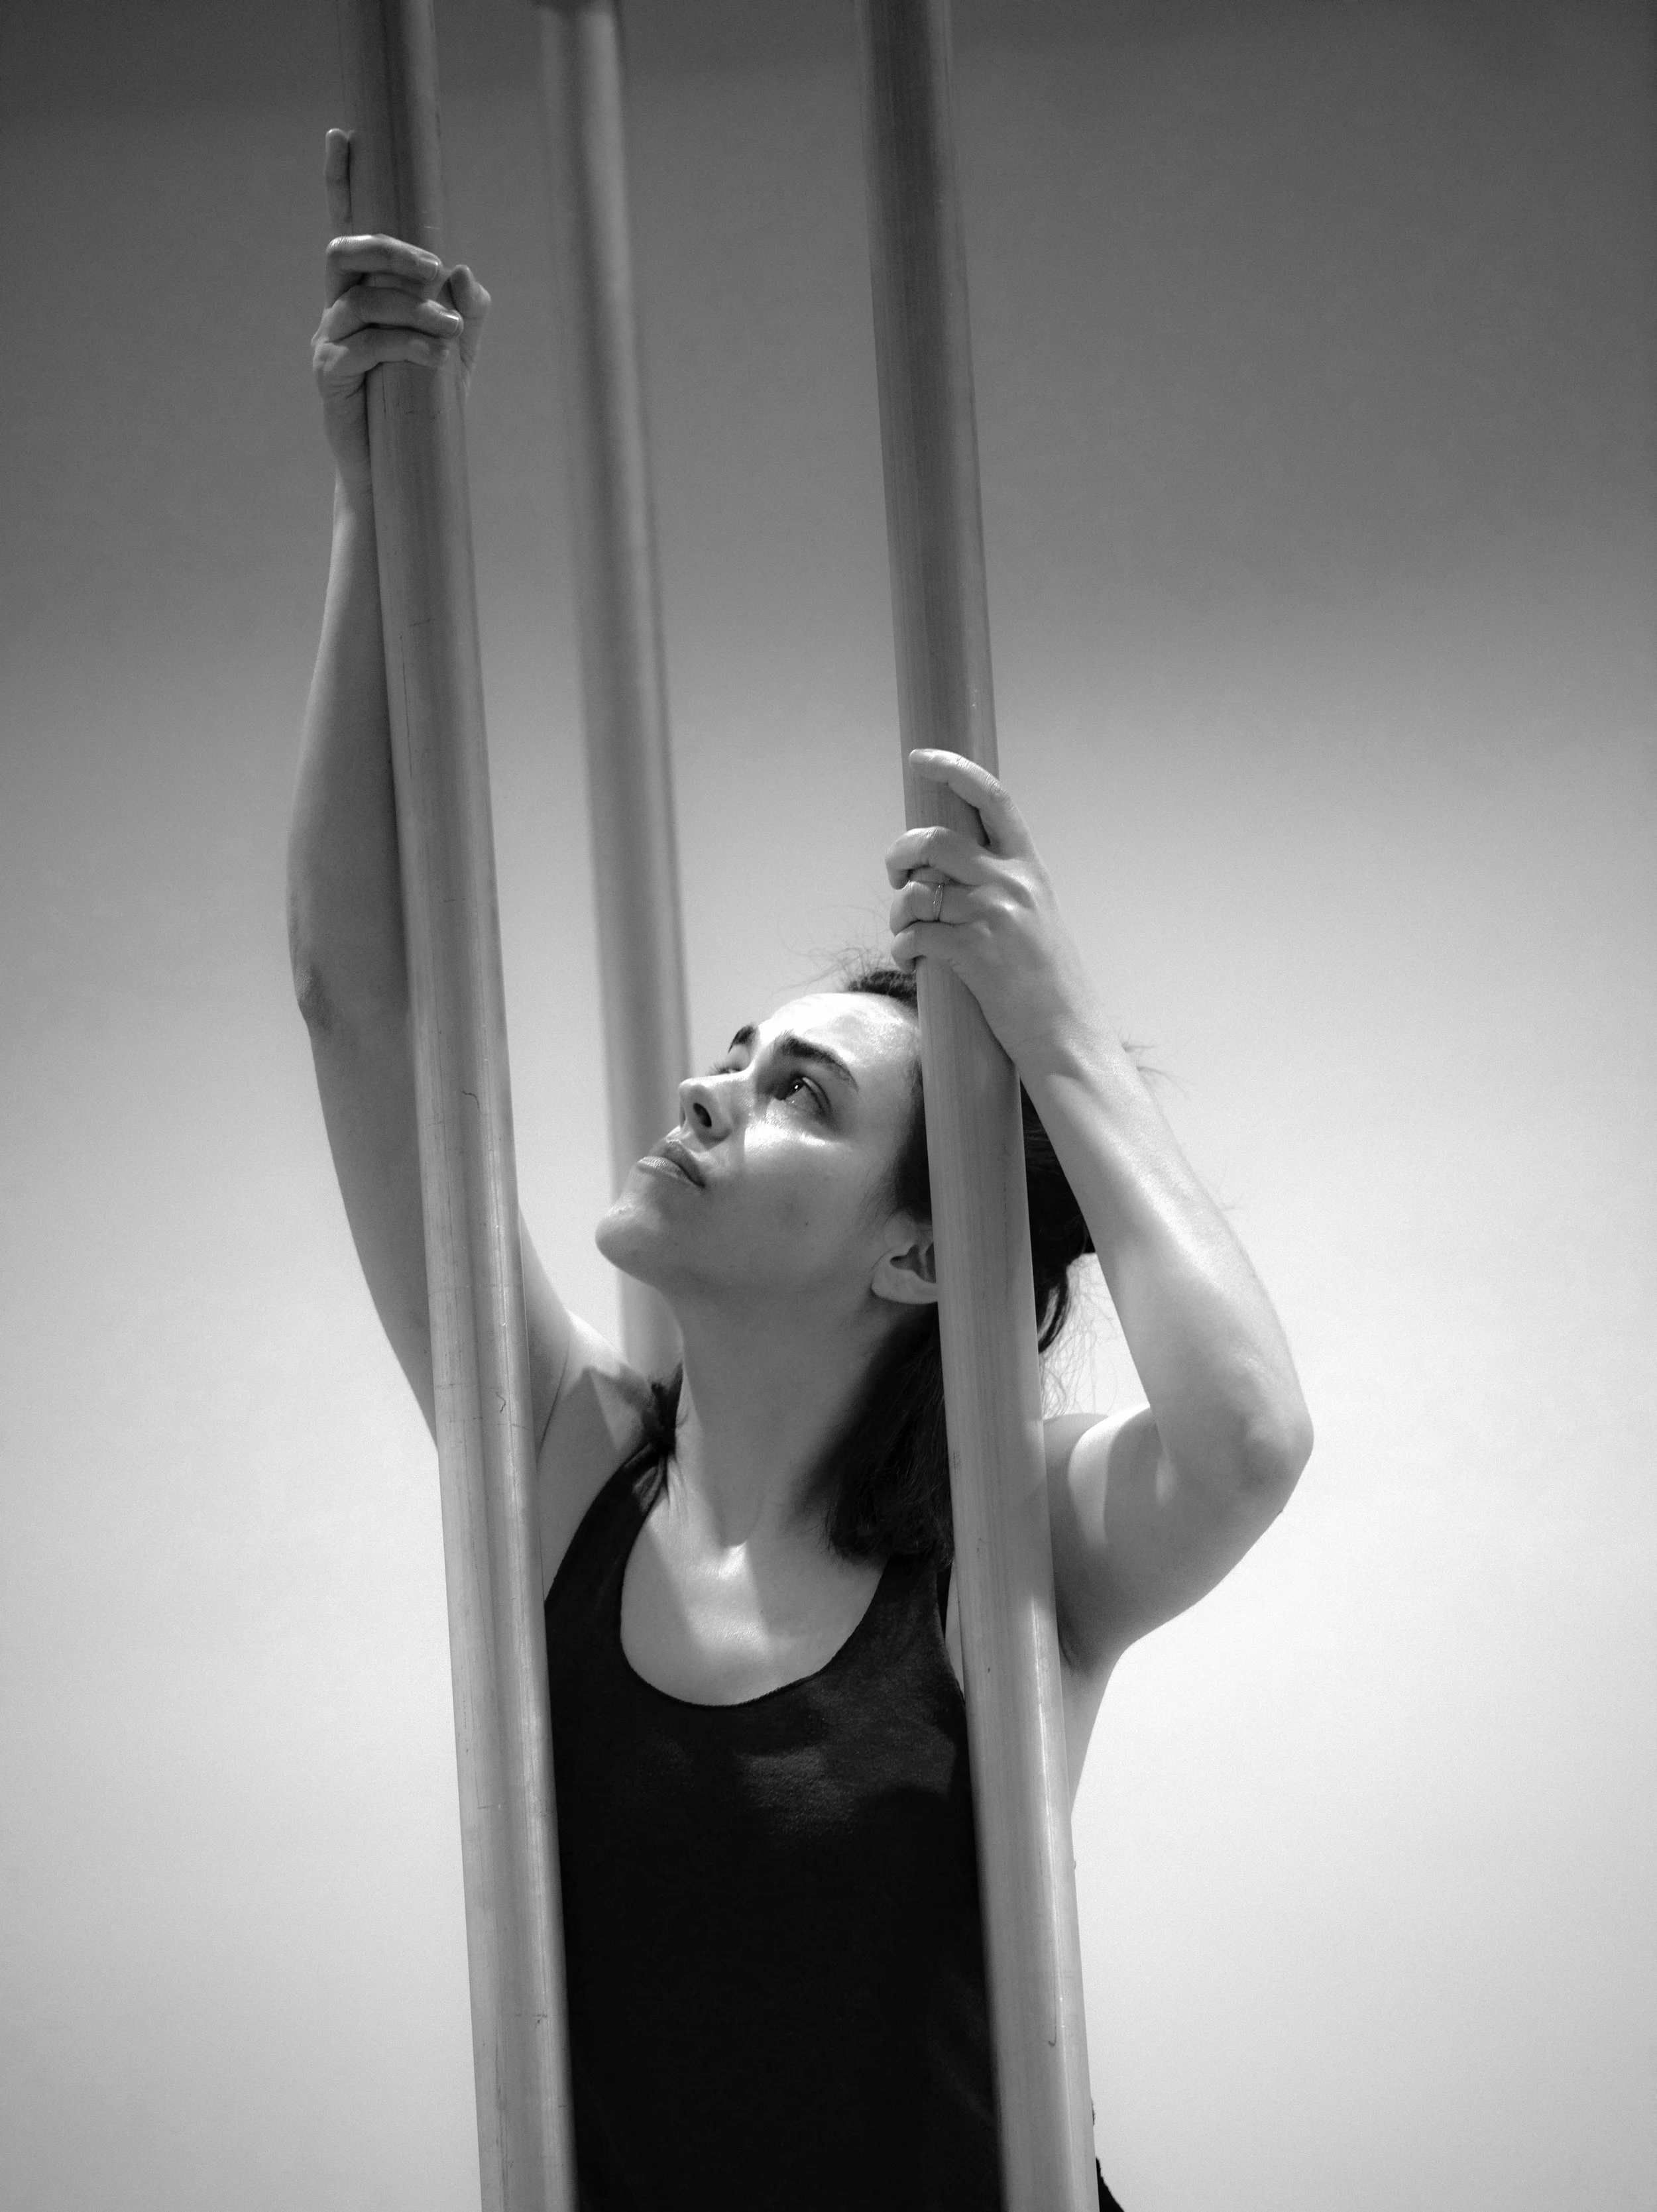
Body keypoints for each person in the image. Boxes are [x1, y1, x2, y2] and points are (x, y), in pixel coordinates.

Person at [292, 128, 1312, 2212]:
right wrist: (371, 503)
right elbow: (359, 1007)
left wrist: (1053, 1030)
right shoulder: (564, 1472)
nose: (702, 1094)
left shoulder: (1015, 1547)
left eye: (795, 1097)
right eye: (731, 1056)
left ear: (919, 1255)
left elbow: (1247, 1438)